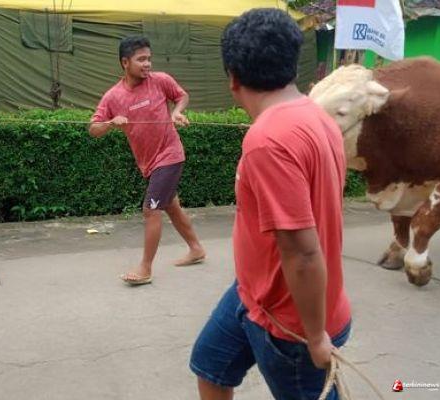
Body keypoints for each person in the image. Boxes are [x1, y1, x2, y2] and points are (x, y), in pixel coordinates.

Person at [189, 9, 352, 399]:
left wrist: (315, 337)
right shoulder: (315, 115)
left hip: (292, 323)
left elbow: (302, 252)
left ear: (232, 76)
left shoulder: (268, 140)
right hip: (252, 293)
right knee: (210, 366)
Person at [89, 36, 205, 285]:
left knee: (151, 210)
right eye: (141, 59)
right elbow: (94, 128)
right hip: (148, 163)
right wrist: (110, 123)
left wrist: (177, 112)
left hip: (170, 154)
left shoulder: (160, 81)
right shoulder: (113, 96)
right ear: (125, 62)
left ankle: (145, 268)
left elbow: (181, 96)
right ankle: (196, 249)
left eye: (149, 59)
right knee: (171, 206)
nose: (147, 64)